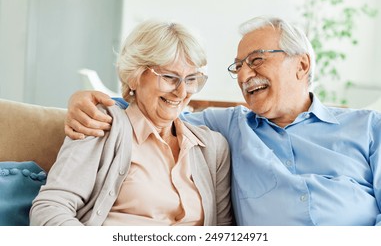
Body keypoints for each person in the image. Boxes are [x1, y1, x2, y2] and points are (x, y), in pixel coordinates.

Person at [64, 16, 381, 226]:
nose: (244, 74)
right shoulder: (226, 127)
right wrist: (89, 102)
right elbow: (159, 108)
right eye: (238, 66)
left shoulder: (368, 127)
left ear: (301, 64)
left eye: (256, 60)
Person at [30, 20, 232, 226]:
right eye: (169, 77)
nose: (181, 92)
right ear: (135, 77)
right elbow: (50, 209)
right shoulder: (101, 123)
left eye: (191, 79)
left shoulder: (213, 148)